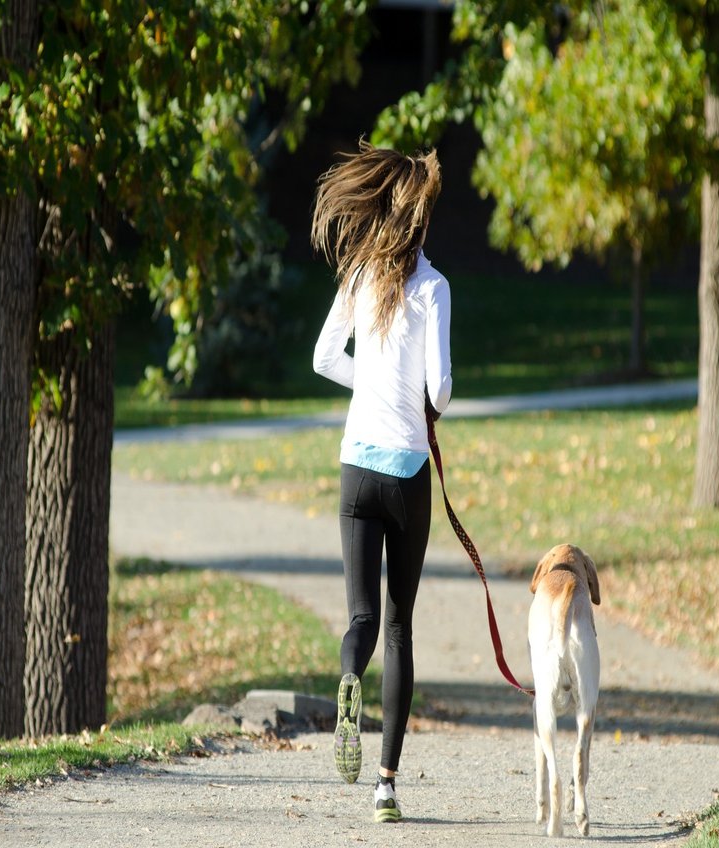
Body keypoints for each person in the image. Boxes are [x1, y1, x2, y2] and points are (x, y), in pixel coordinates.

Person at [311, 140, 452, 823]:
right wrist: (420, 401)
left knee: (362, 620)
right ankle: (387, 785)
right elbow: (443, 388)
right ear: (422, 221)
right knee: (400, 628)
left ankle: (346, 675)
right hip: (406, 474)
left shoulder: (360, 274)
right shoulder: (434, 287)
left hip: (355, 471)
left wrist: (366, 381)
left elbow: (322, 356)